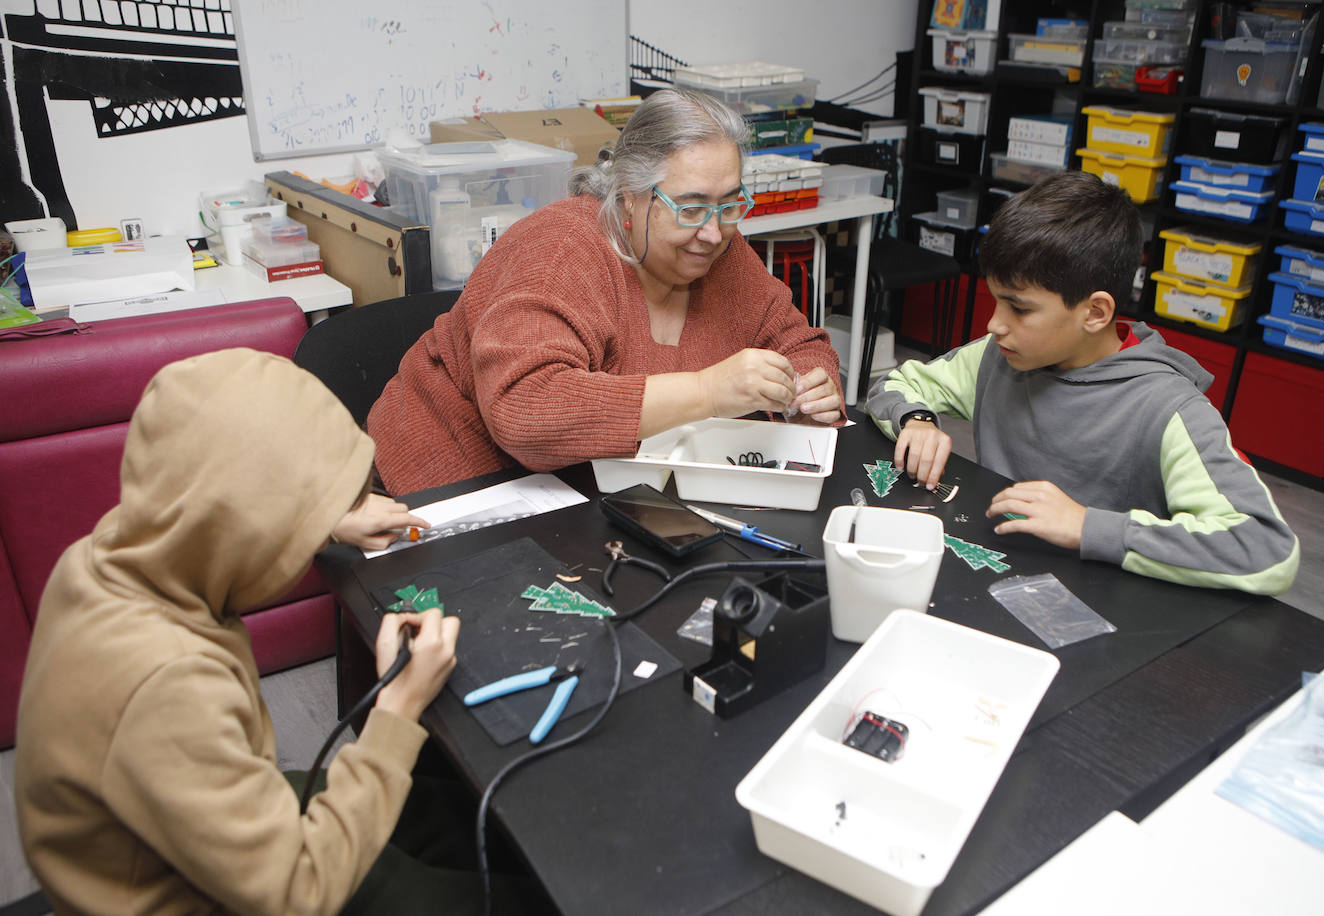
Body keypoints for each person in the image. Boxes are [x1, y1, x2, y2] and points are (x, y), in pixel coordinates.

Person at [12, 349, 528, 915]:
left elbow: (216, 501)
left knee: (449, 814)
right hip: (208, 895)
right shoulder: (167, 683)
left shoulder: (108, 552)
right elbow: (298, 895)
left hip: (176, 805)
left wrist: (324, 513)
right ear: (243, 535)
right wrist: (396, 711)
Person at [368, 88, 845, 496]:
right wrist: (708, 391)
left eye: (729, 204)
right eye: (691, 207)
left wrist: (808, 389)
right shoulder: (562, 250)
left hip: (599, 490)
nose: (714, 232)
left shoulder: (718, 250)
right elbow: (525, 410)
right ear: (628, 197)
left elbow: (800, 344)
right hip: (459, 487)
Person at [867, 171, 1299, 595]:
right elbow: (898, 384)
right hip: (998, 578)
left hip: (1106, 609)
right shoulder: (997, 355)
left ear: (1095, 312)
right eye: (996, 299)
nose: (994, 323)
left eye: (1018, 308)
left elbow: (1266, 550)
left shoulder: (1170, 411)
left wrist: (1087, 526)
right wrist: (917, 420)